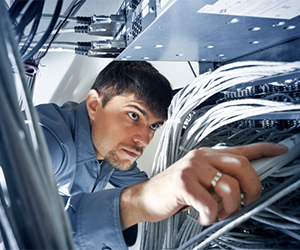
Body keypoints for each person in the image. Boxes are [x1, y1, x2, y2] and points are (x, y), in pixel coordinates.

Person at [36, 61, 288, 250]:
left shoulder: (110, 151)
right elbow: (17, 232)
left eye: (154, 126)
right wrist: (139, 202)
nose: (144, 140)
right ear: (93, 105)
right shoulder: (47, 143)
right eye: (134, 115)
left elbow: (150, 185)